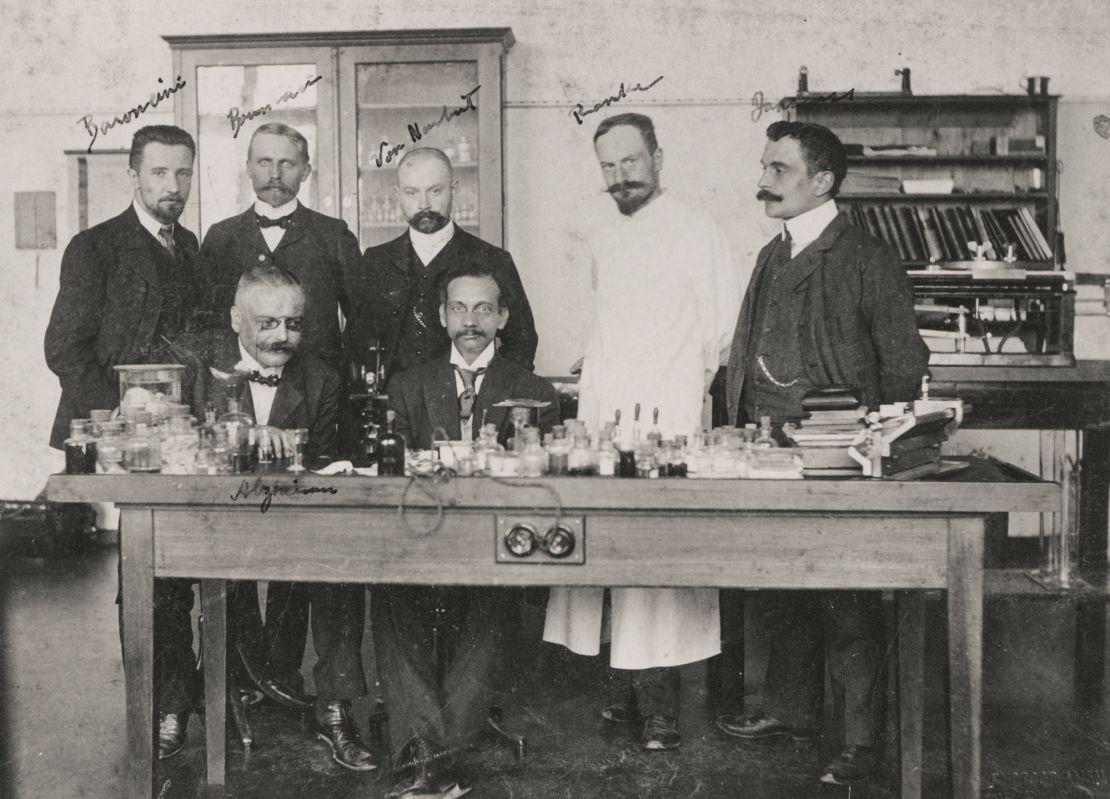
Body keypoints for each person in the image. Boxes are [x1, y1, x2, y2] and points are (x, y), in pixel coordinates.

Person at [715, 120, 929, 786]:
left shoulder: (867, 257)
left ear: (823, 181)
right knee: (783, 586)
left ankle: (862, 741)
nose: (763, 182)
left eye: (778, 170)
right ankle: (792, 711)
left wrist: (860, 436)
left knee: (848, 598)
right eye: (765, 167)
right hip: (770, 453)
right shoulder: (771, 254)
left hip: (841, 458)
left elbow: (903, 365)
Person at [543, 113, 742, 751]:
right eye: (608, 166)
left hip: (670, 415)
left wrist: (675, 401)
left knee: (657, 566)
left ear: (658, 157)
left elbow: (720, 334)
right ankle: (625, 694)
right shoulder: (603, 234)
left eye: (631, 161)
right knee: (608, 554)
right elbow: (610, 323)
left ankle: (661, 707)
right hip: (607, 413)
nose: (620, 176)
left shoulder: (696, 227)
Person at [169, 266, 376, 771]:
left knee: (337, 568)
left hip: (290, 519)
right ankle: (179, 703)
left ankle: (334, 706)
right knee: (163, 583)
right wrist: (240, 439)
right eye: (267, 323)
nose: (283, 336)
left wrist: (291, 460)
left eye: (294, 323)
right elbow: (174, 448)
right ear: (236, 319)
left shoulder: (322, 378)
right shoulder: (196, 368)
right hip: (207, 523)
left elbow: (326, 468)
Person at [43, 124, 208, 758]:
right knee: (148, 567)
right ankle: (161, 704)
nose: (174, 186)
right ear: (134, 175)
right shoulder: (96, 248)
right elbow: (63, 348)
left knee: (187, 565)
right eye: (161, 173)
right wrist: (124, 407)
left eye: (184, 174)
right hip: (118, 435)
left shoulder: (189, 247)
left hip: (186, 437)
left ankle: (185, 691)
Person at [376, 261, 559, 798]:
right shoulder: (408, 386)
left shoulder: (534, 390)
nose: (471, 320)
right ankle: (441, 758)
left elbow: (539, 479)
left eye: (484, 308)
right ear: (441, 316)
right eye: (459, 308)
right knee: (391, 596)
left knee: (491, 601)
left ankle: (431, 761)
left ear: (503, 317)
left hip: (496, 543)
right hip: (422, 540)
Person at [198, 121, 362, 710]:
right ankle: (244, 676)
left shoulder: (333, 234)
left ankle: (288, 678)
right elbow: (209, 330)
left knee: (304, 546)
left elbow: (359, 322)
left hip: (312, 405)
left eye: (287, 163)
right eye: (263, 162)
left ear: (306, 169)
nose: (274, 174)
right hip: (234, 401)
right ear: (248, 167)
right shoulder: (219, 237)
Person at [346, 147, 538, 384]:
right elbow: (356, 344)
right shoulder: (376, 261)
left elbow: (523, 341)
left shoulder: (492, 259)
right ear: (397, 194)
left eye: (435, 191)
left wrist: (490, 392)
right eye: (411, 192)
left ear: (453, 189)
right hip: (393, 408)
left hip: (464, 408)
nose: (424, 203)